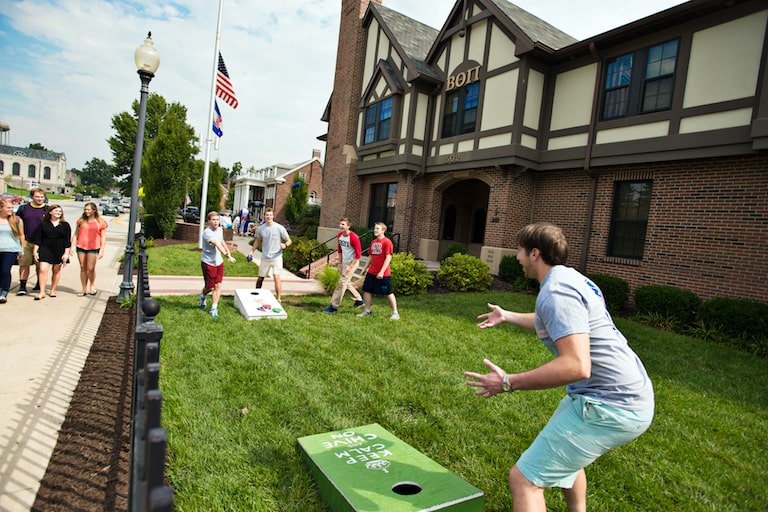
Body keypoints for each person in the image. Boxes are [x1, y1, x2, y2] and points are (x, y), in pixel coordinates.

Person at [464, 222, 654, 512]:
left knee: (524, 480)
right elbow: (558, 322)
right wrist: (509, 316)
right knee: (569, 464)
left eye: (519, 250)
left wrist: (507, 382)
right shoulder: (571, 279)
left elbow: (576, 366)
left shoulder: (556, 293)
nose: (516, 257)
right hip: (625, 395)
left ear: (535, 253)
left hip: (611, 404)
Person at [246, 207, 291, 302]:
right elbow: (257, 241)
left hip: (277, 257)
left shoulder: (279, 228)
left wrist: (285, 245)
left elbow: (289, 240)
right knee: (260, 278)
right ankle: (256, 295)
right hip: (265, 257)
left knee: (276, 276)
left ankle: (279, 299)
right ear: (264, 216)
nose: (269, 217)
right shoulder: (261, 229)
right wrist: (251, 251)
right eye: (267, 215)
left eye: (270, 215)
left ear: (273, 216)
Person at [356, 222, 399, 320]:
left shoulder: (387, 242)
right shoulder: (373, 242)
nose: (375, 230)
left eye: (377, 229)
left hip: (383, 274)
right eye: (375, 228)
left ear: (383, 230)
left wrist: (382, 271)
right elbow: (371, 256)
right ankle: (367, 310)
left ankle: (395, 313)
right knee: (367, 290)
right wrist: (364, 268)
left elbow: (388, 258)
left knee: (388, 292)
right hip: (372, 272)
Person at [323, 218, 365, 313]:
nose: (341, 226)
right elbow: (340, 250)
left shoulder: (354, 237)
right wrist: (340, 263)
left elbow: (358, 255)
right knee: (345, 283)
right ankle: (359, 300)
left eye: (343, 224)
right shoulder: (340, 236)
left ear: (348, 226)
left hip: (352, 262)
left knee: (342, 283)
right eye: (340, 224)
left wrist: (350, 266)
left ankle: (333, 307)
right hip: (344, 262)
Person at [199, 211, 236, 318]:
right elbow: (216, 244)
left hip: (218, 262)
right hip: (208, 262)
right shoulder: (207, 233)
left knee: (218, 285)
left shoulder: (219, 230)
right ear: (209, 221)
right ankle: (202, 295)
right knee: (210, 287)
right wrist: (226, 255)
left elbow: (222, 241)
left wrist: (228, 251)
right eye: (213, 220)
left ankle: (214, 308)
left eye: (217, 220)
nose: (216, 222)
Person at [31, 204, 71, 300]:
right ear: (50, 212)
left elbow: (67, 241)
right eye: (56, 211)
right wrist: (35, 251)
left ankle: (53, 290)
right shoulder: (43, 224)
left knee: (56, 270)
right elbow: (38, 239)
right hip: (45, 248)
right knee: (42, 269)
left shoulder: (65, 225)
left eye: (60, 211)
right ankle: (42, 292)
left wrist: (66, 254)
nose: (58, 213)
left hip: (59, 249)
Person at [15, 187, 48, 295]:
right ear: (32, 197)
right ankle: (22, 286)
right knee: (24, 264)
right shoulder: (23, 209)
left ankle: (39, 284)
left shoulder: (48, 210)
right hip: (26, 241)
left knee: (40, 266)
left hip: (42, 242)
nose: (39, 199)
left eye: (42, 197)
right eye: (37, 197)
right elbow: (15, 223)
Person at [70, 202, 107, 296]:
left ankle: (92, 285)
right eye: (85, 209)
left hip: (93, 247)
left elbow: (103, 237)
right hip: (81, 246)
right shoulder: (81, 221)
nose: (86, 211)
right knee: (83, 267)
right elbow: (76, 234)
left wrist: (102, 251)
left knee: (90, 268)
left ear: (94, 210)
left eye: (88, 209)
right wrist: (72, 246)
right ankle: (83, 289)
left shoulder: (100, 222)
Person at [0, 198, 25, 303]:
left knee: (5, 270)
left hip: (10, 249)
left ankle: (4, 292)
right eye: (8, 208)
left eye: (12, 207)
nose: (11, 209)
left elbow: (21, 235)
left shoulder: (16, 220)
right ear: (1, 209)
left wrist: (22, 249)